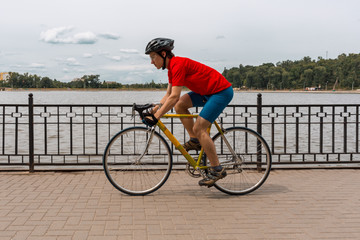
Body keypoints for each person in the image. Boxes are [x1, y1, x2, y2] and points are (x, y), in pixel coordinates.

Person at [142, 37, 233, 187]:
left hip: (220, 92)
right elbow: (169, 96)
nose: (151, 61)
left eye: (153, 57)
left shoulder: (178, 65)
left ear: (163, 54)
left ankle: (217, 169)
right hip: (206, 92)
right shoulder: (172, 69)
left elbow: (174, 96)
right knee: (179, 105)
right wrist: (154, 111)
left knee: (199, 128)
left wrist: (156, 117)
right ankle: (196, 140)